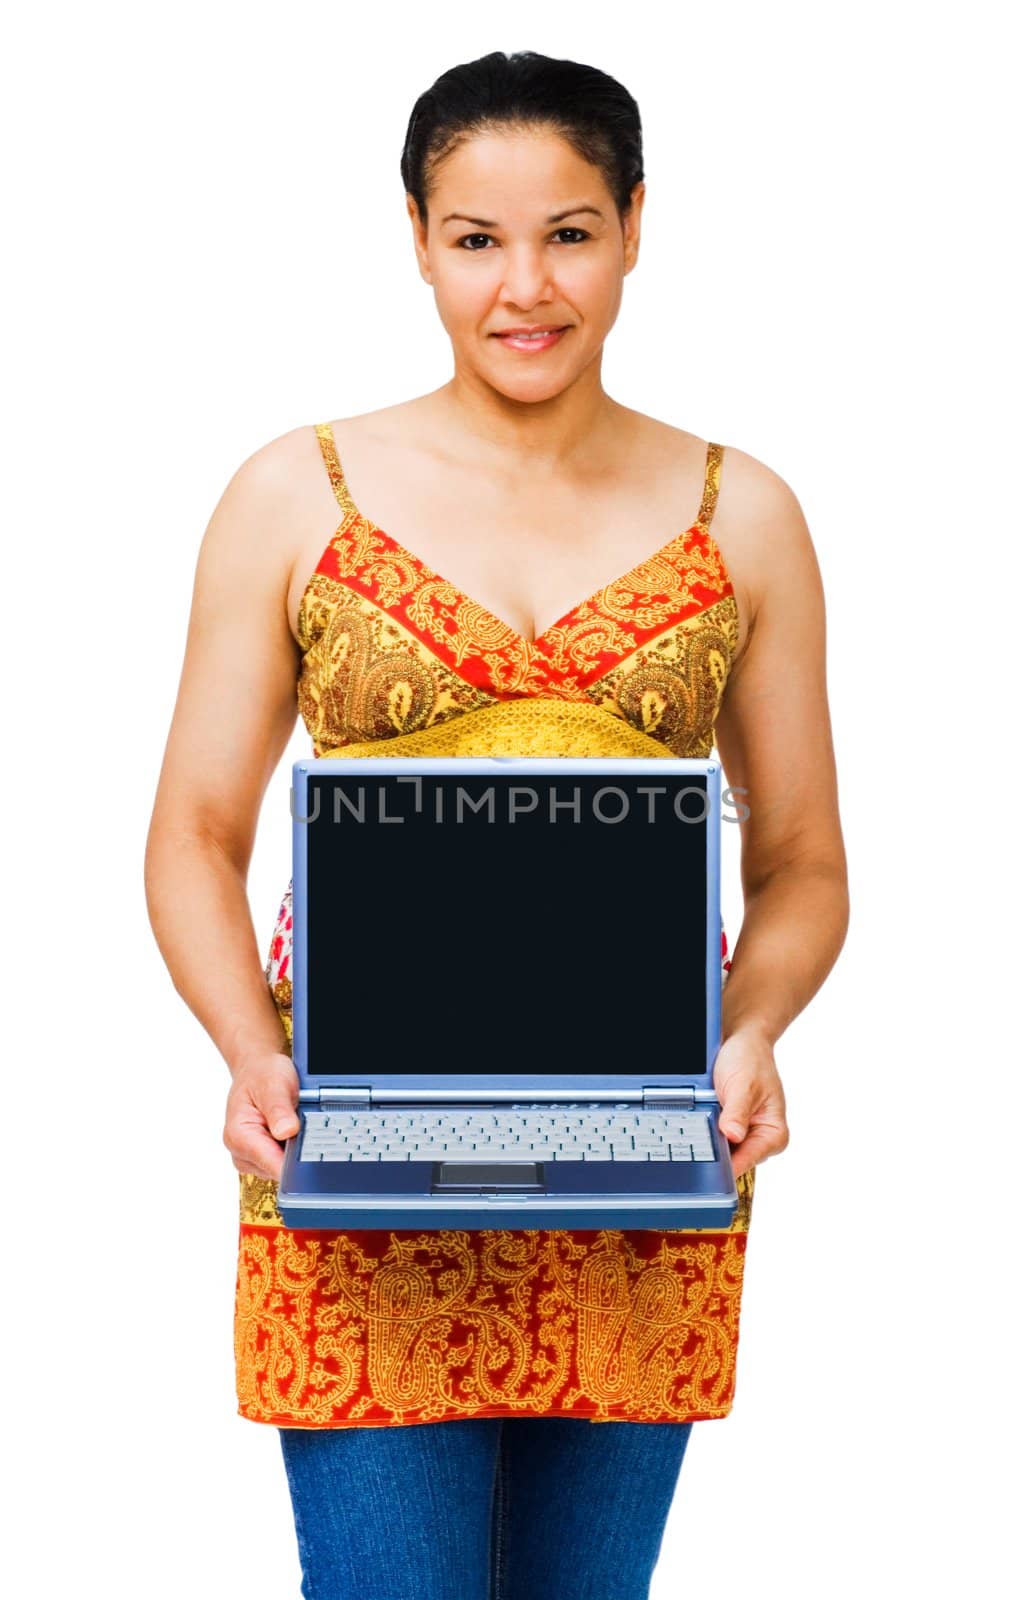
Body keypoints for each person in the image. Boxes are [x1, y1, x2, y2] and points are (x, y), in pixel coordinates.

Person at [144, 48, 849, 1600]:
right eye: (477, 239)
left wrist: (752, 1031)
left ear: (637, 225)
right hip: (360, 1143)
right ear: (418, 238)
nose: (525, 285)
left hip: (642, 1157)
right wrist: (249, 1054)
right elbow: (195, 828)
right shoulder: (297, 494)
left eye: (570, 232)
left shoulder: (747, 516)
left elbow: (802, 862)